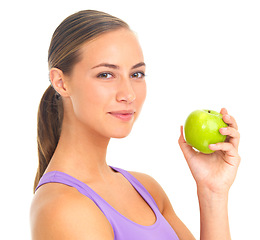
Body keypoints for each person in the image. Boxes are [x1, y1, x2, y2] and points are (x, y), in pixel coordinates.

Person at [30, 10, 240, 240]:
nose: (128, 94)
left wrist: (213, 192)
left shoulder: (146, 189)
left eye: (136, 74)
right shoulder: (63, 207)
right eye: (106, 75)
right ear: (61, 82)